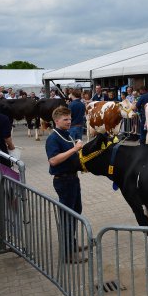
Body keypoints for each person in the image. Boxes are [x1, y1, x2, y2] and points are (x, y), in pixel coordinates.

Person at [45, 106, 87, 263]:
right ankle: (67, 253)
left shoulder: (67, 135)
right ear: (56, 121)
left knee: (76, 212)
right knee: (67, 216)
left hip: (72, 178)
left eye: (69, 119)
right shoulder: (53, 138)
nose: (69, 122)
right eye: (65, 119)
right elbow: (53, 160)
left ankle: (72, 244)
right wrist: (74, 149)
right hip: (63, 180)